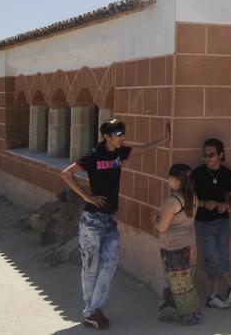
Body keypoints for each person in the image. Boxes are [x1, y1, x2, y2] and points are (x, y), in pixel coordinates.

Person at [60, 118, 170, 330]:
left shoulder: (119, 153)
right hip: (92, 220)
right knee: (90, 267)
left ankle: (96, 309)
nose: (122, 137)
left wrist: (164, 139)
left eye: (122, 133)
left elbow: (142, 149)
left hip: (109, 219)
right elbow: (66, 173)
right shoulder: (93, 155)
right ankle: (90, 312)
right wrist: (86, 196)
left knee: (110, 264)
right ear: (106, 136)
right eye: (118, 134)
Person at [191, 139, 231, 309]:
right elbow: (188, 198)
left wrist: (226, 205)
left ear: (221, 155)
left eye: (211, 154)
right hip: (203, 222)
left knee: (220, 256)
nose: (207, 158)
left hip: (223, 220)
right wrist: (205, 203)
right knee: (212, 255)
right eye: (204, 155)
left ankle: (213, 295)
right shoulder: (197, 174)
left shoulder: (227, 174)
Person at [155, 163, 203, 325]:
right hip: (189, 244)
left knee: (176, 282)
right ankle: (172, 310)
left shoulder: (172, 200)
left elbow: (162, 226)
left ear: (176, 180)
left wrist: (155, 221)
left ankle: (190, 315)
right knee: (185, 281)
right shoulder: (193, 197)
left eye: (170, 176)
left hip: (173, 246)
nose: (168, 179)